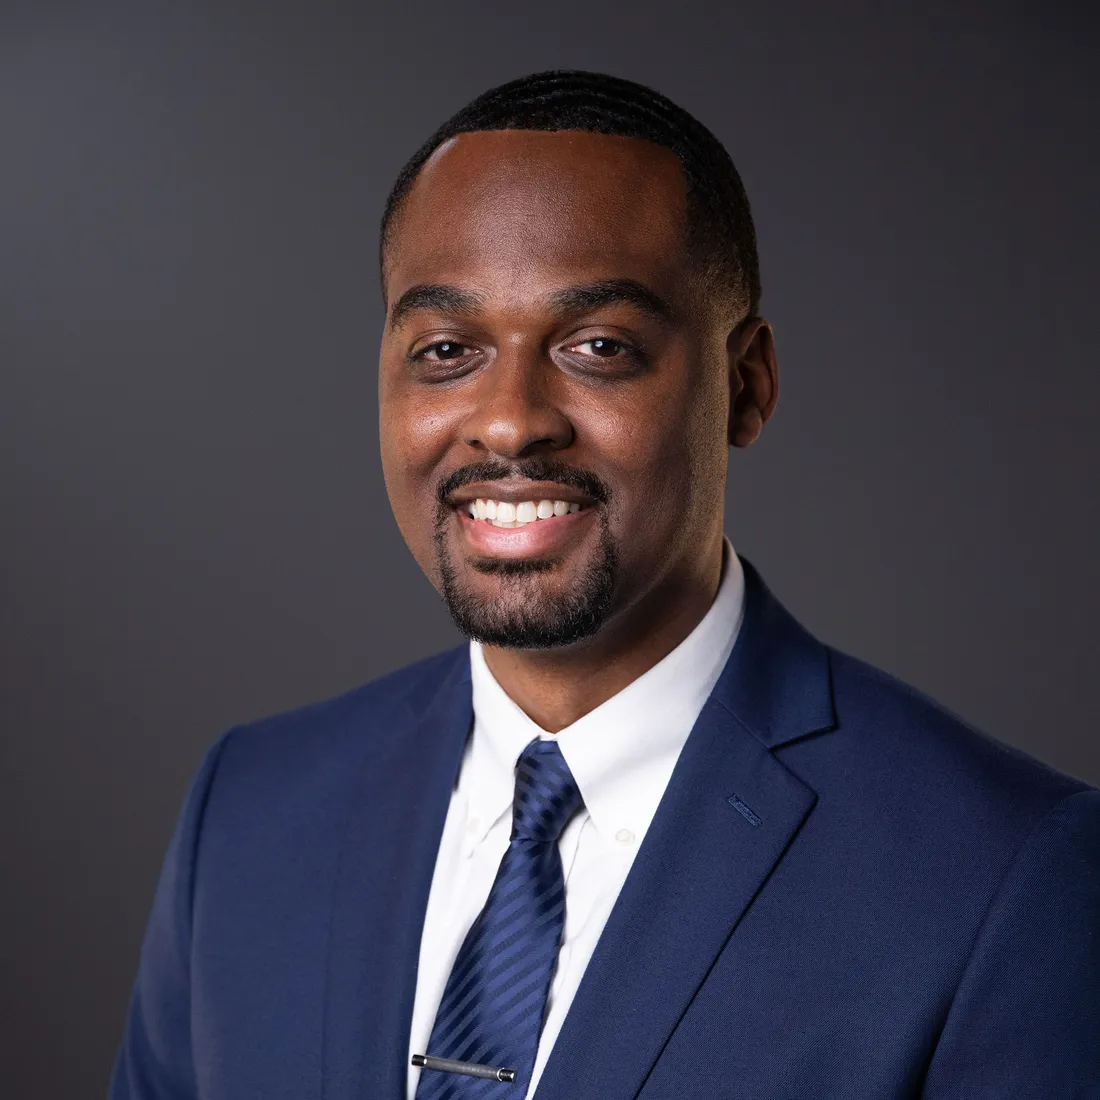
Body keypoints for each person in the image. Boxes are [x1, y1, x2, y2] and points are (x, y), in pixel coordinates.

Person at [109, 70, 1100, 1100]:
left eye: (597, 347)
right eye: (446, 349)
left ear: (745, 385)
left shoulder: (1002, 875)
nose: (507, 419)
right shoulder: (252, 810)